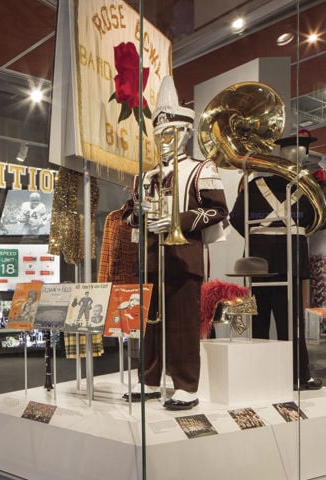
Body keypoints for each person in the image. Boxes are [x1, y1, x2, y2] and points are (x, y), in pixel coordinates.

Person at [123, 76, 229, 410]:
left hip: (185, 257)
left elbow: (217, 209)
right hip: (152, 257)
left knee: (183, 323)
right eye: (158, 136)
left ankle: (186, 385)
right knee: (151, 323)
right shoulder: (146, 177)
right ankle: (151, 378)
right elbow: (128, 215)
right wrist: (139, 214)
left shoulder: (201, 170)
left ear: (184, 135)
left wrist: (177, 221)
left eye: (169, 134)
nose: (163, 141)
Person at [229, 129, 323, 391]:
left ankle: (258, 375)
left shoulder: (252, 185)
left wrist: (259, 238)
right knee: (291, 323)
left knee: (257, 322)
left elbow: (236, 218)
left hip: (258, 261)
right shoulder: (307, 189)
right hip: (291, 259)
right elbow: (319, 220)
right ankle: (297, 376)